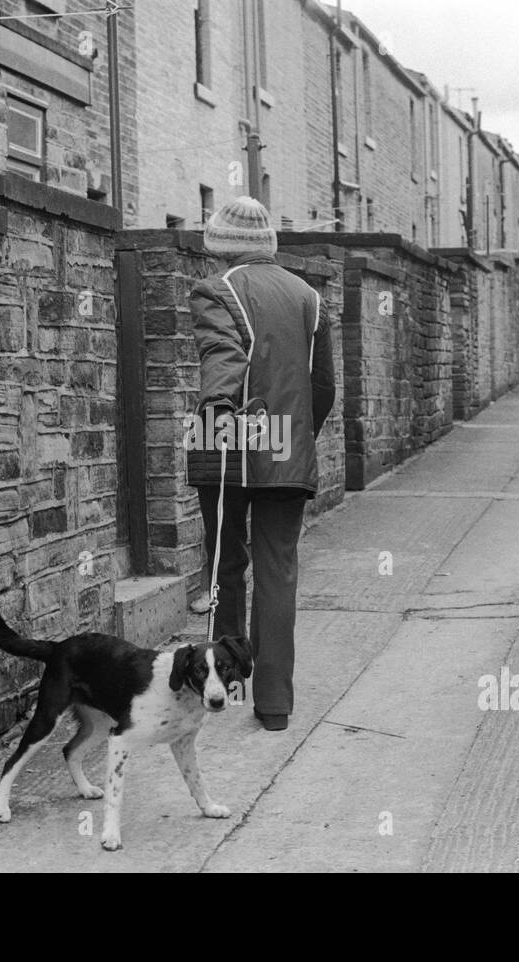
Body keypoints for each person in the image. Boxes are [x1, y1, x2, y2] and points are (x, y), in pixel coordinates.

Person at [186, 196, 335, 731]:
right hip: (287, 450)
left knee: (226, 563)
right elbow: (324, 389)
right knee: (279, 572)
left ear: (220, 249)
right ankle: (274, 705)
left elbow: (222, 358)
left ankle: (226, 683)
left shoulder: (216, 289)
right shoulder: (309, 298)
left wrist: (218, 410)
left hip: (229, 446)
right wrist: (295, 441)